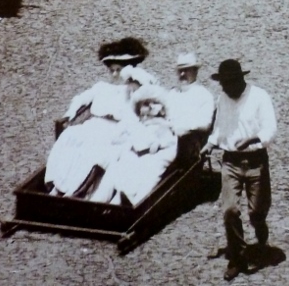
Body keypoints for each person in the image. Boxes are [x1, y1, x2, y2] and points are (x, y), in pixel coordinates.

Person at [45, 38, 149, 198]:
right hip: (93, 125)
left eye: (118, 70)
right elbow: (81, 99)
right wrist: (69, 114)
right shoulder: (101, 87)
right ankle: (56, 185)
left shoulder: (132, 90)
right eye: (112, 70)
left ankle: (75, 190)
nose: (115, 74)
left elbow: (141, 110)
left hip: (116, 130)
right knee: (69, 136)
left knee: (93, 149)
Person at [207, 59, 277, 281]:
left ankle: (261, 239)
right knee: (230, 210)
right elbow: (220, 129)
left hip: (256, 161)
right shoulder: (223, 99)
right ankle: (237, 257)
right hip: (230, 162)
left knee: (257, 212)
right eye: (223, 84)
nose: (225, 88)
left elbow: (270, 128)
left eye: (229, 83)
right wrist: (209, 145)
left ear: (240, 80)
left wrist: (253, 139)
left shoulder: (259, 97)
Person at [89, 85, 178, 206]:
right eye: (146, 104)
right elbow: (121, 138)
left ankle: (130, 203)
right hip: (135, 153)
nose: (150, 107)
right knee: (115, 170)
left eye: (154, 104)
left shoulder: (163, 125)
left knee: (147, 176)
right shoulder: (137, 125)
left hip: (153, 157)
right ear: (139, 110)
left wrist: (158, 144)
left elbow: (169, 141)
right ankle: (98, 201)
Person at [167, 53, 215, 136]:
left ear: (195, 71)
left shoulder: (203, 95)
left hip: (191, 139)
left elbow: (205, 124)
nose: (182, 74)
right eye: (180, 71)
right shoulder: (172, 94)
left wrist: (185, 129)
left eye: (186, 70)